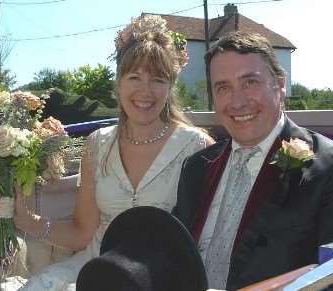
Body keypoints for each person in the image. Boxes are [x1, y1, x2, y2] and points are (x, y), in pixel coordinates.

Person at [12, 15, 214, 290]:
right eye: (134, 77)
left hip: (160, 275)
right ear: (118, 84)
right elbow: (83, 233)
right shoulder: (97, 145)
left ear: (169, 87)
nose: (145, 91)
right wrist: (30, 222)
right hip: (97, 265)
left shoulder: (197, 147)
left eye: (157, 79)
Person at [172, 32, 333, 290]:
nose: (237, 101)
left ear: (280, 84)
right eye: (223, 87)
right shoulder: (197, 166)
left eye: (250, 82)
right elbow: (172, 253)